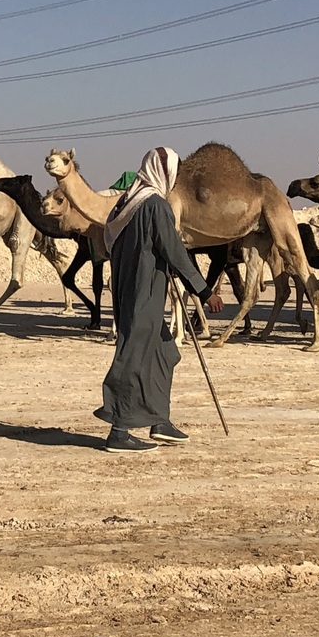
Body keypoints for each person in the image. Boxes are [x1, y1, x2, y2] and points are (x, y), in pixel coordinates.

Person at [93, 146, 223, 453]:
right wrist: (203, 291)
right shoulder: (154, 205)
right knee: (133, 356)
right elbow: (173, 251)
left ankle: (159, 420)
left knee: (165, 351)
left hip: (132, 288)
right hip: (145, 291)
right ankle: (119, 429)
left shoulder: (126, 204)